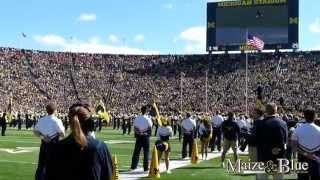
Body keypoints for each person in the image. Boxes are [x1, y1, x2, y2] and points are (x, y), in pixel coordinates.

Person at [45, 102, 113, 180]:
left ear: (70, 123)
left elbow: (49, 175)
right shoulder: (99, 147)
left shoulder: (56, 148)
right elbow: (108, 175)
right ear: (90, 123)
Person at [255, 103, 288, 180]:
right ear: (276, 110)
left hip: (264, 157)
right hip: (279, 158)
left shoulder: (260, 123)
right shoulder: (283, 123)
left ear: (266, 111)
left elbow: (256, 140)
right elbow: (285, 141)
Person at [33, 103, 65, 180]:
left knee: (41, 164)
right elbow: (62, 134)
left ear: (46, 110)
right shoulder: (57, 120)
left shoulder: (41, 119)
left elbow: (35, 132)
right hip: (53, 144)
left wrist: (43, 137)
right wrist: (54, 135)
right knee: (53, 164)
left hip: (44, 143)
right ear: (55, 110)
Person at [291, 108, 320, 179]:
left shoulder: (297, 130)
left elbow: (294, 148)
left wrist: (306, 154)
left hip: (302, 159)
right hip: (316, 158)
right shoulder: (319, 130)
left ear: (304, 116)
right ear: (315, 116)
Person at [130, 106, 153, 172]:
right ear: (146, 111)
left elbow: (134, 128)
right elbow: (150, 128)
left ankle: (133, 166)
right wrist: (145, 133)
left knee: (136, 152)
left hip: (139, 136)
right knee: (146, 152)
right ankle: (145, 168)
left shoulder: (137, 118)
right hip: (145, 137)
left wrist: (139, 133)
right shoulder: (148, 118)